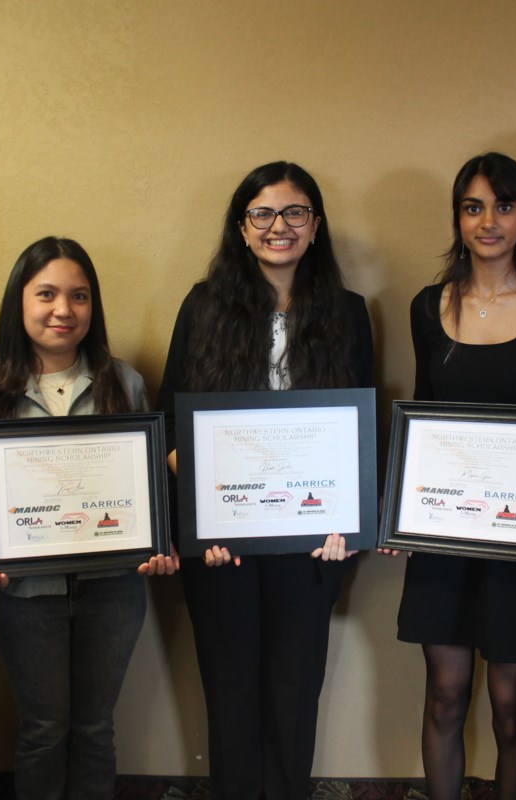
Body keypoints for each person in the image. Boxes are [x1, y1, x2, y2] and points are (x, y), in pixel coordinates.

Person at [157, 162, 373, 799]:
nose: (279, 226)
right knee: (228, 688)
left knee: (294, 687)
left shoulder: (348, 313)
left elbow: (360, 430)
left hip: (311, 542)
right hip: (221, 543)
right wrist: (206, 514)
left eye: (295, 212)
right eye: (263, 214)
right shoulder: (204, 306)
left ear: (316, 224)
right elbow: (170, 421)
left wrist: (346, 523)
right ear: (242, 227)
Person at [390, 153, 516, 800]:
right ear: (458, 217)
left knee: (511, 704)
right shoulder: (428, 307)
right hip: (444, 533)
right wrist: (401, 506)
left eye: (504, 205)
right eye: (474, 206)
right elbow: (423, 419)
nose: (489, 221)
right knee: (445, 695)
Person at [0, 236, 176, 800]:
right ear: (19, 302)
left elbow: (144, 483)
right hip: (25, 595)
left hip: (113, 590)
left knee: (96, 730)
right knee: (44, 732)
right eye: (46, 294)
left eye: (79, 296)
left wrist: (160, 540)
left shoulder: (122, 384)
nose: (63, 310)